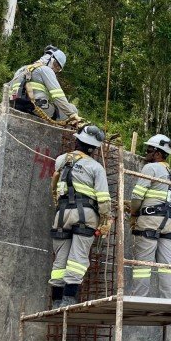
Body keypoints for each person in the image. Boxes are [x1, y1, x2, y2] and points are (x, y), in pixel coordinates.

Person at [49, 126, 111, 308]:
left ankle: (56, 301)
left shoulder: (61, 160)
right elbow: (104, 199)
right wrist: (106, 220)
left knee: (60, 258)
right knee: (78, 258)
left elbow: (55, 185)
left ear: (77, 141)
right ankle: (69, 298)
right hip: (86, 215)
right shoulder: (96, 167)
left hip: (62, 214)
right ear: (94, 149)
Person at [128, 134, 171, 298]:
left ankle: (140, 297)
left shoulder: (150, 168)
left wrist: (133, 214)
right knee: (167, 263)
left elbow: (137, 197)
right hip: (168, 221)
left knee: (143, 263)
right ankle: (169, 299)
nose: (146, 153)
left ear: (158, 153)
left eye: (149, 150)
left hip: (150, 220)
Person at [8, 45, 82, 123]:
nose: (55, 69)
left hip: (15, 104)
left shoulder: (22, 69)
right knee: (72, 108)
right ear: (50, 59)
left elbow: (9, 86)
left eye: (58, 69)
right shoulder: (46, 70)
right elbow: (58, 95)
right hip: (36, 106)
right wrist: (72, 114)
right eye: (56, 65)